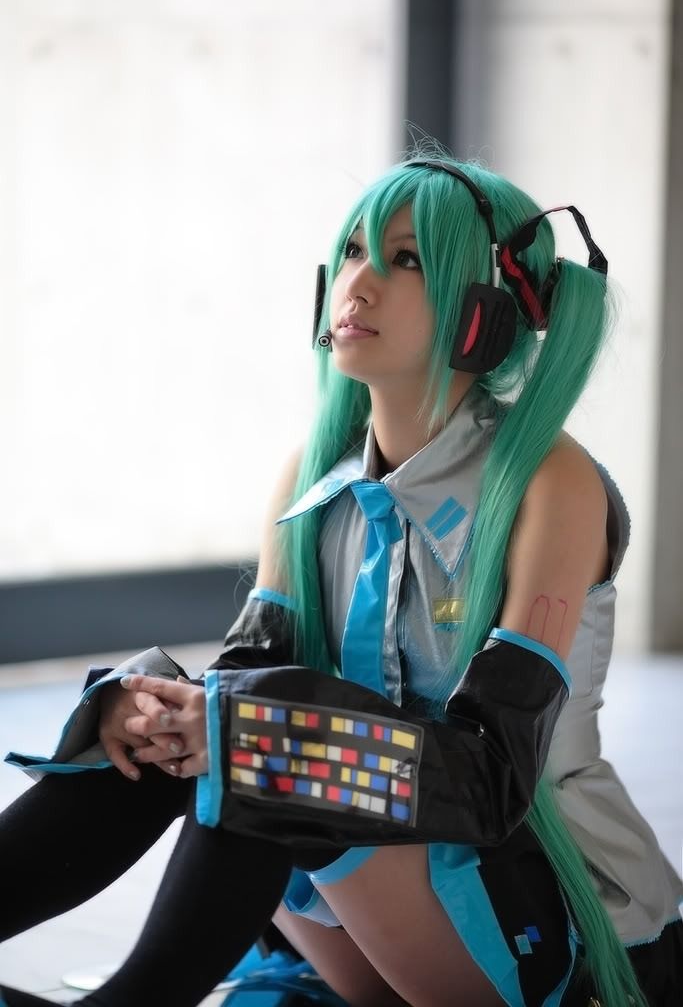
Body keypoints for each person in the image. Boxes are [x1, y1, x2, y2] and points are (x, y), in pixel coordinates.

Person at [1, 152, 682, 1007]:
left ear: (484, 314)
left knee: (258, 744)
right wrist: (155, 714)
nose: (357, 285)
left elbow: (492, 782)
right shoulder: (311, 471)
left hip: (527, 893)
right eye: (353, 252)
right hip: (357, 887)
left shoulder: (551, 482)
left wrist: (252, 730)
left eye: (406, 260)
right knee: (176, 726)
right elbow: (251, 675)